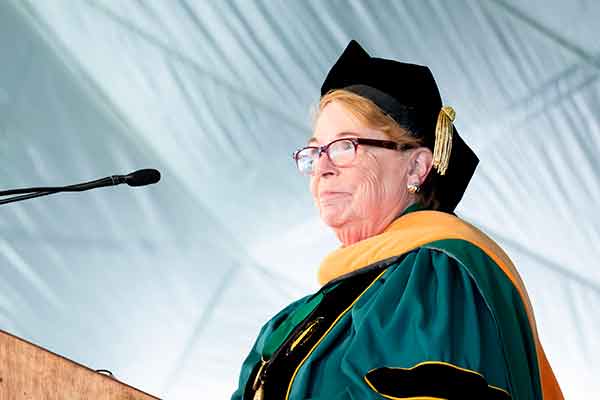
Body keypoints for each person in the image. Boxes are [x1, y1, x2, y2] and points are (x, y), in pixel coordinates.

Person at [231, 40, 563, 400]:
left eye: (345, 146)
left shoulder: (437, 277)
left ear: (416, 166)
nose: (321, 168)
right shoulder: (294, 320)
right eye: (315, 151)